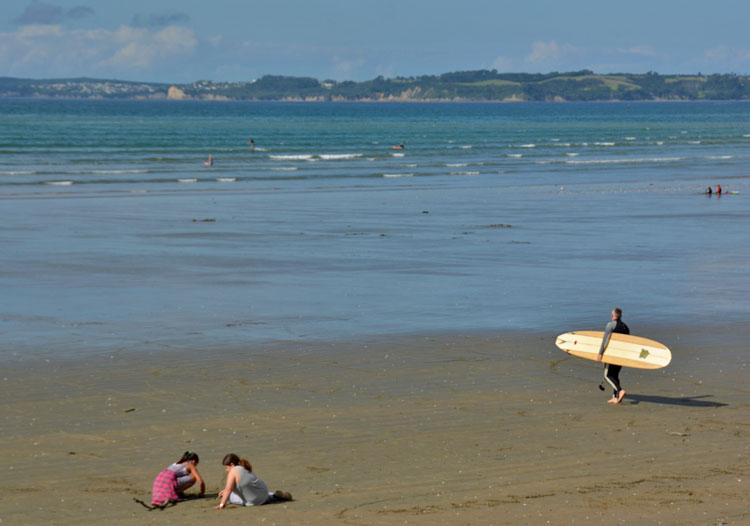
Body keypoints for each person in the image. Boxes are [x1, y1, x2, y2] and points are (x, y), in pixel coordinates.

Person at [216, 453, 293, 510]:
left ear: (232, 464)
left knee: (228, 496)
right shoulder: (244, 468)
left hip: (253, 502)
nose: (226, 470)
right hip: (263, 492)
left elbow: (228, 489)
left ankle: (272, 497)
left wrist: (222, 504)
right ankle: (273, 495)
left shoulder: (233, 470)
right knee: (255, 493)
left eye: (226, 467)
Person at [596, 307, 630, 404]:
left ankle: (620, 390)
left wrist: (600, 353)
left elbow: (605, 340)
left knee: (607, 375)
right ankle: (616, 397)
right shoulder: (625, 327)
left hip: (612, 355)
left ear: (613, 315)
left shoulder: (610, 325)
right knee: (615, 375)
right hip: (621, 355)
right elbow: (629, 343)